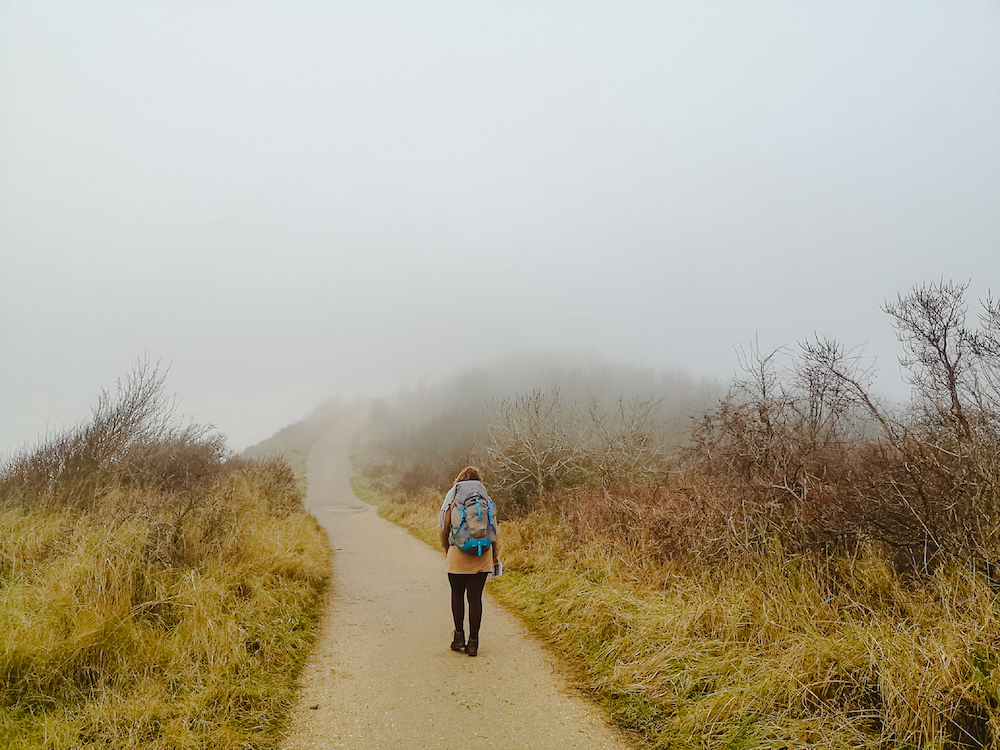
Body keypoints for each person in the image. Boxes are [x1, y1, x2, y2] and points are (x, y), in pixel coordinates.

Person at [438, 466, 498, 657]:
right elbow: (494, 530)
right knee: (475, 598)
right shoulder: (485, 498)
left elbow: (443, 526)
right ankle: (473, 643)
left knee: (457, 593)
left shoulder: (453, 496)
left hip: (457, 552)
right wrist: (495, 555)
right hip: (482, 554)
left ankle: (458, 638)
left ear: (460, 479)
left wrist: (446, 547)